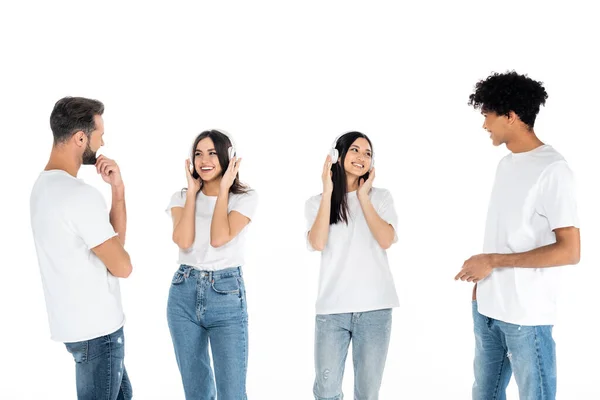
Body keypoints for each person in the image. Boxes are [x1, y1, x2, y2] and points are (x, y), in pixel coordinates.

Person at [455, 71, 581, 400]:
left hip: (527, 317)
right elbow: (507, 234)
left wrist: (492, 261)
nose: (485, 125)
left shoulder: (554, 169)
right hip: (488, 309)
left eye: (488, 117)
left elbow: (570, 251)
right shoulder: (506, 165)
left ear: (511, 117)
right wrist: (483, 288)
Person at [30, 96, 133, 399]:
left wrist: (117, 190)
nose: (102, 142)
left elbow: (110, 250)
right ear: (80, 138)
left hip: (76, 330)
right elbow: (122, 265)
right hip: (98, 333)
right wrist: (118, 193)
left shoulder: (41, 188)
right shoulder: (80, 196)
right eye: (99, 134)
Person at [305, 131, 399, 400]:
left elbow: (385, 240)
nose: (362, 157)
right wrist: (327, 192)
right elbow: (319, 242)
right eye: (355, 150)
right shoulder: (316, 203)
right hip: (332, 310)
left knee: (367, 393)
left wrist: (364, 197)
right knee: (326, 391)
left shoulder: (381, 197)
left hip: (375, 310)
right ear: (338, 155)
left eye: (368, 153)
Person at [166, 129, 257, 400]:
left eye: (212, 153)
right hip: (183, 292)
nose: (204, 160)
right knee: (197, 394)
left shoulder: (245, 197)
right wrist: (193, 194)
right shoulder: (181, 197)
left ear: (229, 157)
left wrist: (225, 189)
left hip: (226, 295)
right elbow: (183, 241)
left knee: (232, 394)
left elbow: (219, 238)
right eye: (198, 154)